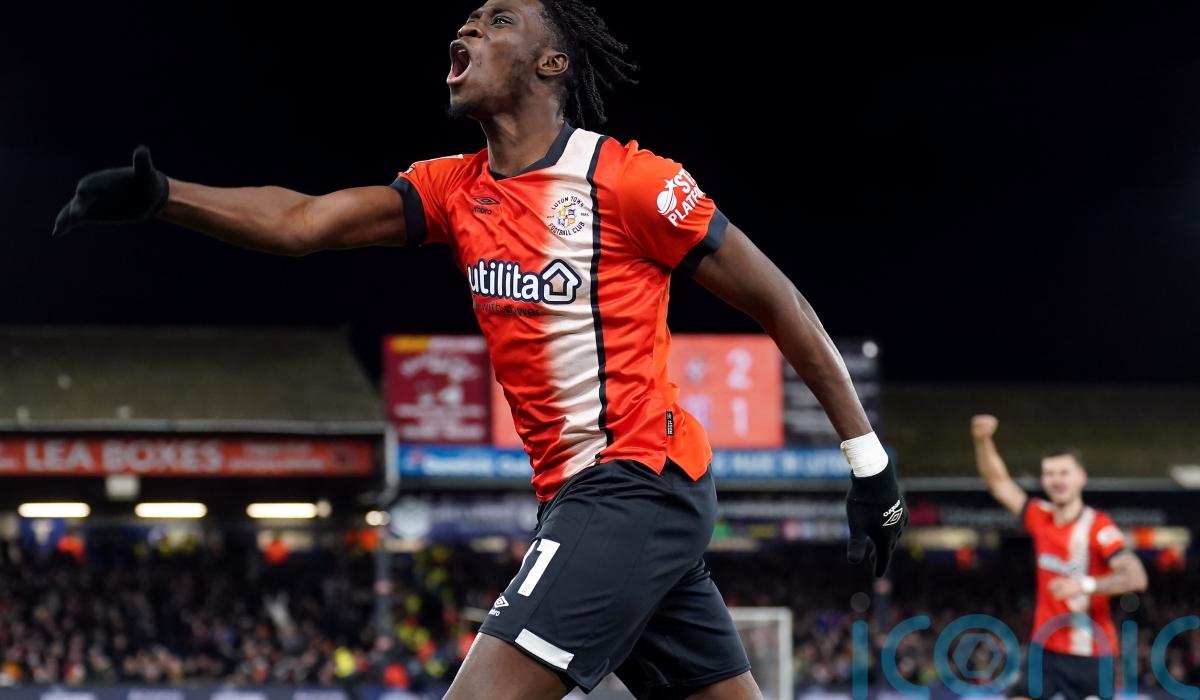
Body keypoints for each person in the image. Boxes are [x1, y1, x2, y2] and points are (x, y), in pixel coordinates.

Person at [53, 2, 907, 697]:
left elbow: (780, 301)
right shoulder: (454, 188)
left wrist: (869, 466)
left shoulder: (631, 182)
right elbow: (303, 221)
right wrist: (166, 196)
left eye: (499, 20)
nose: (467, 27)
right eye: (468, 19)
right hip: (589, 498)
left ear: (551, 63)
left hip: (634, 483)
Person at [971, 414, 1148, 700]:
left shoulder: (1098, 527)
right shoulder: (1039, 516)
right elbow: (999, 484)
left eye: (1064, 472)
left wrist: (1085, 585)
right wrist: (982, 440)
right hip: (1045, 649)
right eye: (1050, 473)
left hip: (1091, 654)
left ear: (1081, 477)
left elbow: (1136, 577)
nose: (1056, 480)